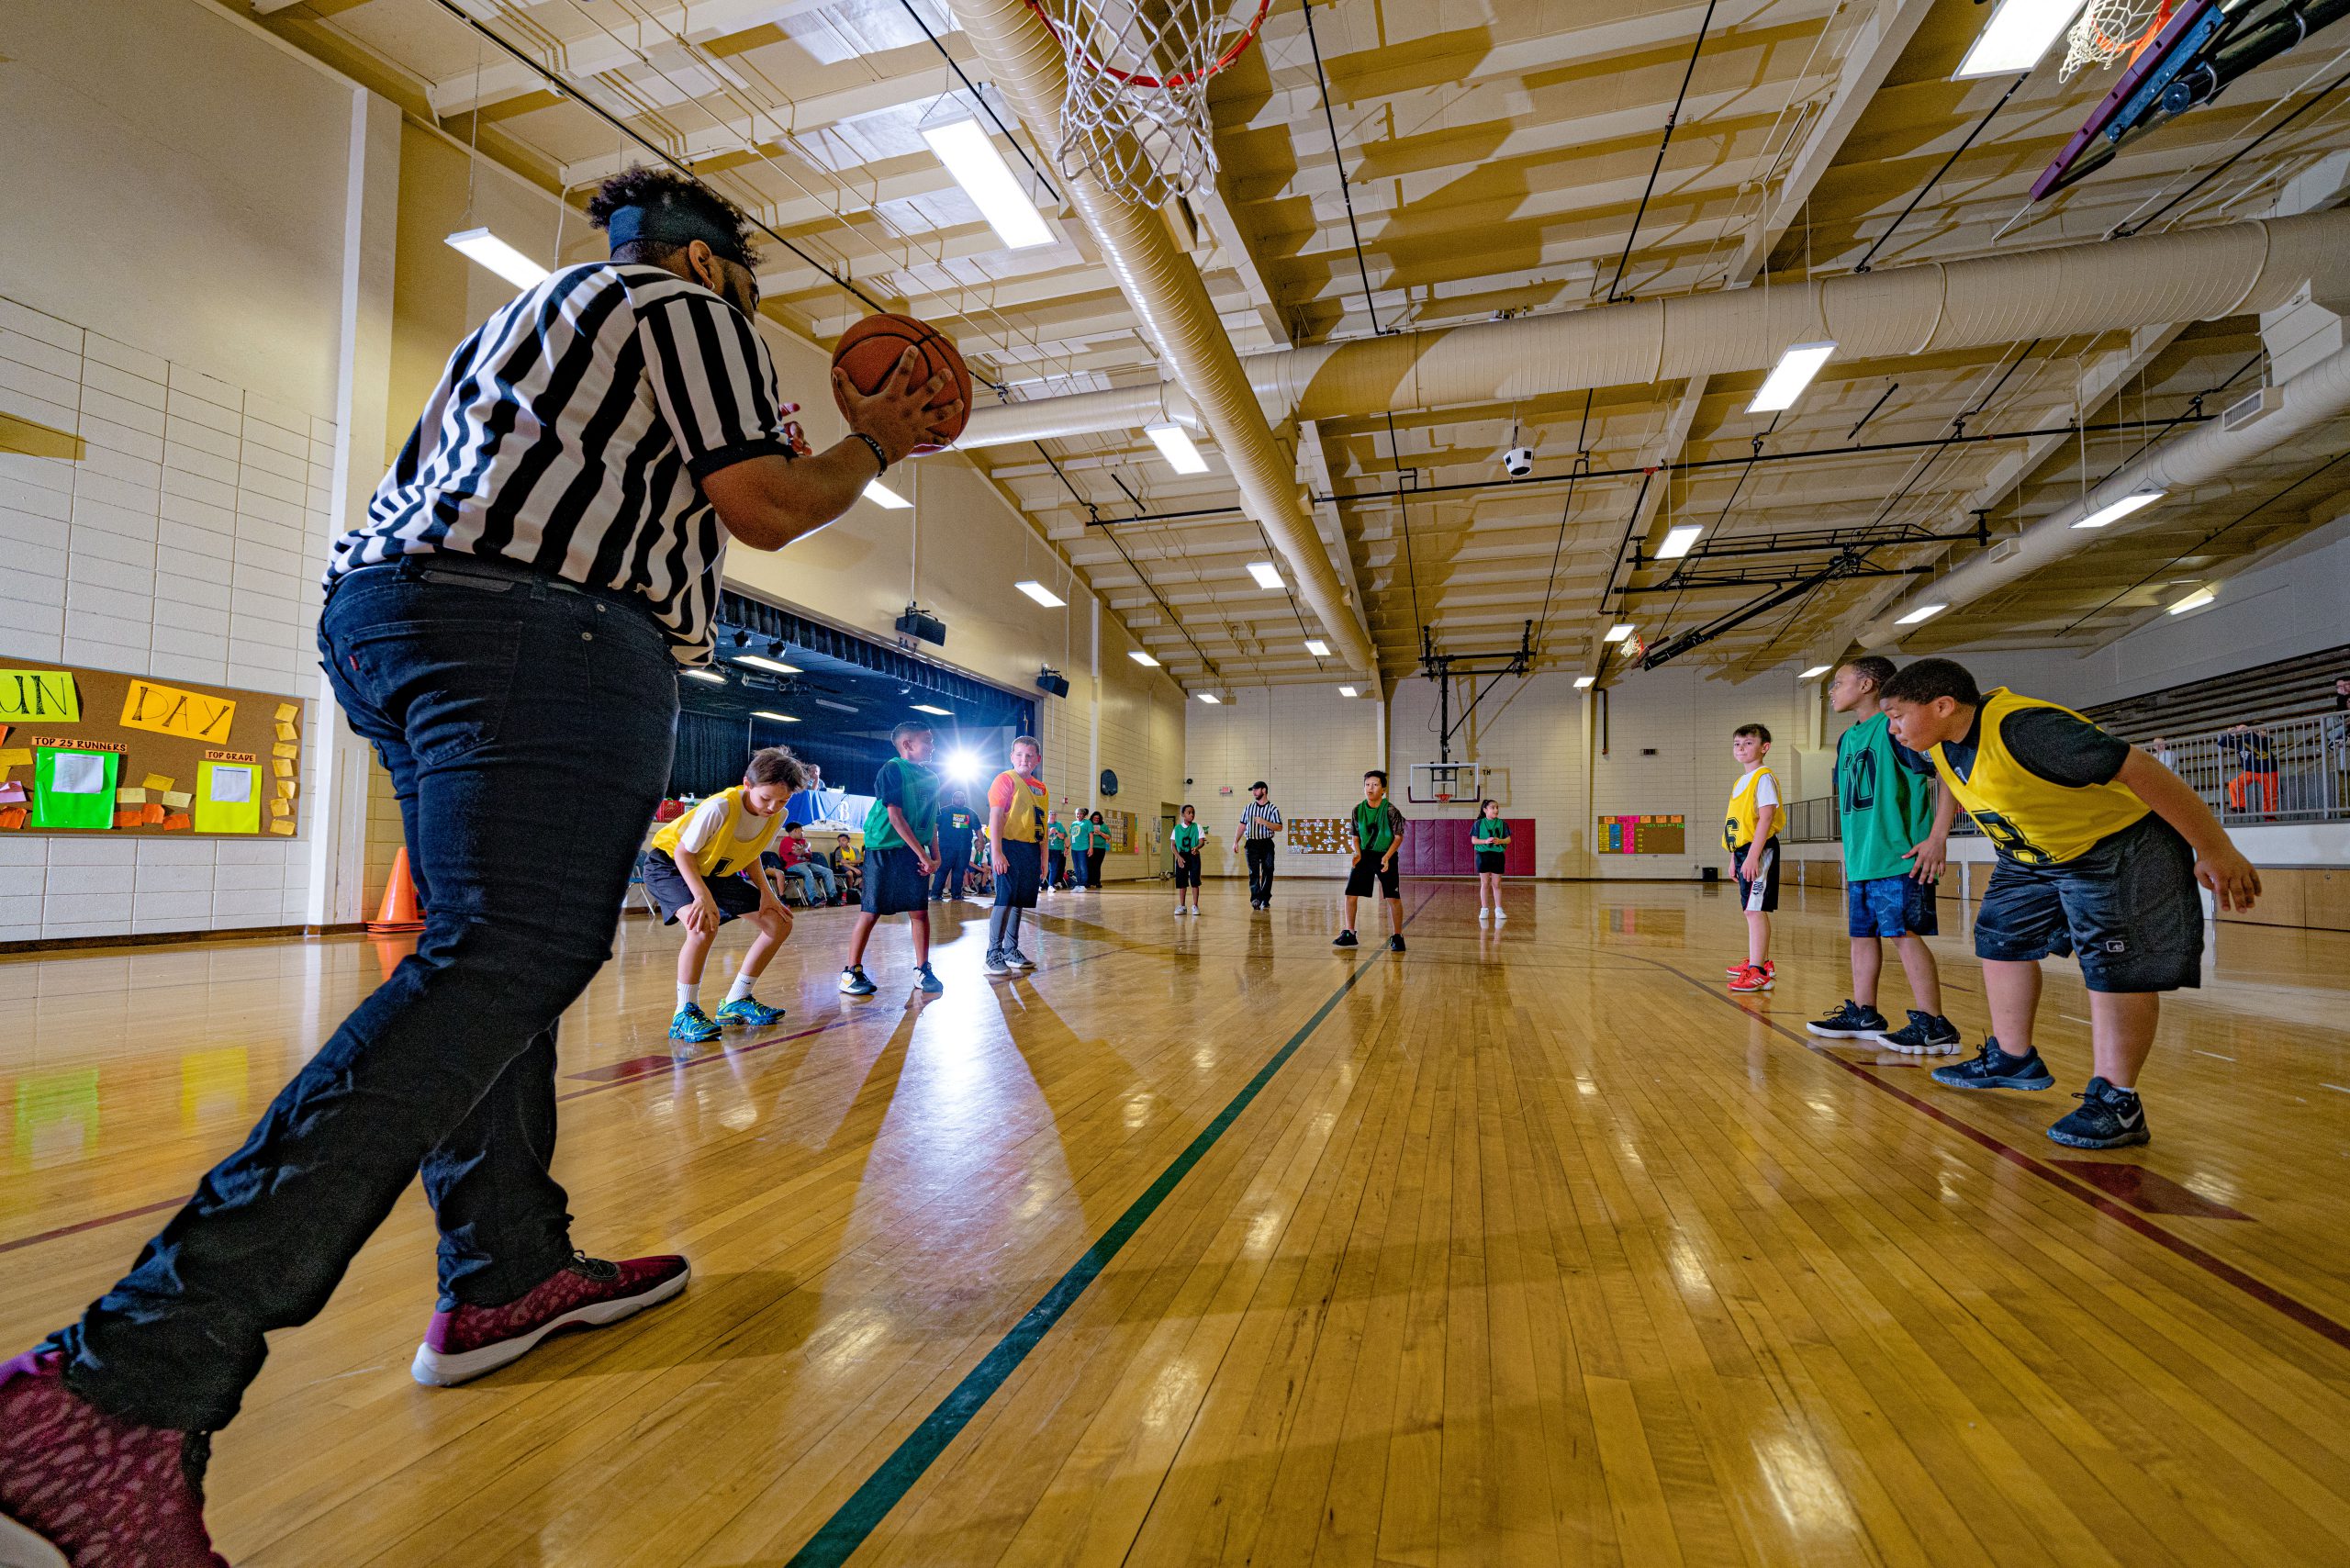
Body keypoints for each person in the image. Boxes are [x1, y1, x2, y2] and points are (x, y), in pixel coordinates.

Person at [0, 165, 960, 1561]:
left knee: (488, 956)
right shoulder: (681, 307)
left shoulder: (514, 333)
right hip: (544, 635)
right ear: (713, 265)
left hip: (400, 624)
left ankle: (504, 1266)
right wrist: (869, 440)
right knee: (509, 955)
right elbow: (763, 504)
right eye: (752, 289)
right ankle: (123, 1377)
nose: (760, 319)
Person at [1881, 658, 2261, 1148]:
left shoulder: (2030, 730)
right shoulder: (1927, 741)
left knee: (2113, 966)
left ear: (1943, 706)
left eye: (1898, 716)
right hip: (2029, 854)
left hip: (2114, 849)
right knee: (2000, 940)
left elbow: (2141, 769)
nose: (1892, 728)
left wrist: (2214, 848)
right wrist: (1938, 833)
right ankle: (2013, 1058)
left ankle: (2117, 1102)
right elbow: (1945, 776)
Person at [1807, 658, 1962, 1053]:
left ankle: (1934, 1023)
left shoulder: (1896, 728)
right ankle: (1865, 1012)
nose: (1831, 690)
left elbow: (1946, 773)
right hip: (1863, 856)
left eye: (1838, 682)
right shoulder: (1847, 740)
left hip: (1900, 853)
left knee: (1904, 935)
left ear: (1867, 684)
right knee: (1862, 937)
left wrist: (1938, 836)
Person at [643, 747, 803, 1047]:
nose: (772, 806)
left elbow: (752, 855)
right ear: (748, 784)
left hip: (716, 873)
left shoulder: (778, 815)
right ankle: (684, 1012)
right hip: (671, 866)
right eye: (765, 798)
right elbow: (683, 853)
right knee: (703, 925)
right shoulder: (720, 807)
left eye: (782, 799)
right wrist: (702, 897)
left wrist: (768, 896)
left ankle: (736, 1001)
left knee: (778, 923)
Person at [840, 722, 944, 998]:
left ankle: (922, 969)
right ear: (907, 744)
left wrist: (935, 855)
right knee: (871, 911)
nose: (932, 746)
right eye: (927, 741)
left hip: (914, 850)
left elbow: (932, 821)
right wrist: (921, 853)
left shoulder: (932, 778)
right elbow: (895, 817)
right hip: (885, 848)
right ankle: (851, 972)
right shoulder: (893, 769)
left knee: (919, 911)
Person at [983, 736, 1049, 976]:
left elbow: (1042, 827)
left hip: (1030, 848)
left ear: (1037, 760)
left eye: (1030, 755)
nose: (1025, 759)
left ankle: (1011, 950)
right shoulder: (1004, 780)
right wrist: (997, 851)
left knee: (1019, 900)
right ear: (1012, 756)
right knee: (1005, 899)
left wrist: (1044, 859)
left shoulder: (1041, 788)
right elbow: (996, 816)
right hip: (1008, 846)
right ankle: (993, 953)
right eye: (1020, 754)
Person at [1723, 722, 1781, 994]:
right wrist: (1736, 856)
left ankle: (1758, 971)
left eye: (1748, 743)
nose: (1741, 748)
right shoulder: (1740, 781)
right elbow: (1741, 824)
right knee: (1750, 908)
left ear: (1764, 747)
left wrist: (1753, 856)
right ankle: (1761, 963)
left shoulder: (1763, 777)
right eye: (1737, 743)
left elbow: (1766, 817)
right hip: (1745, 850)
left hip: (1761, 849)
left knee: (1754, 910)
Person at [1335, 769, 1407, 952]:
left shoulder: (1391, 810)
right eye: (1367, 785)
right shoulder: (1357, 810)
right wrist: (1357, 854)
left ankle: (1397, 936)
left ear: (1383, 789)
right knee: (1351, 894)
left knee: (1393, 897)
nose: (1370, 788)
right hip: (1365, 855)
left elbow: (1398, 837)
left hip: (1385, 855)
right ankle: (1350, 932)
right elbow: (1355, 837)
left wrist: (1388, 856)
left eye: (1375, 785)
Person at [1234, 780, 1283, 909]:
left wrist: (1264, 822)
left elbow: (1279, 827)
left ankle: (1265, 898)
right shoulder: (1248, 808)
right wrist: (1236, 841)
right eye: (1253, 790)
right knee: (1253, 872)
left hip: (1266, 843)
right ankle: (1255, 898)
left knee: (1268, 871)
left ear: (1264, 790)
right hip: (1251, 843)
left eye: (1256, 789)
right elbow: (1242, 826)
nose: (1254, 792)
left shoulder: (1273, 809)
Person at [767, 821, 838, 906]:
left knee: (828, 871)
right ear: (795, 830)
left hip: (806, 863)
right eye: (801, 830)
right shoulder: (786, 841)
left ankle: (832, 897)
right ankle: (813, 898)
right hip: (792, 865)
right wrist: (806, 847)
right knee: (808, 873)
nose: (803, 833)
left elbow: (810, 855)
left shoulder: (803, 841)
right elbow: (798, 854)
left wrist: (801, 849)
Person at [2223, 722, 2279, 818]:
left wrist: (2249, 731)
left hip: (2268, 771)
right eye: (2258, 731)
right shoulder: (2243, 741)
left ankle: (2269, 816)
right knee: (2234, 784)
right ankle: (2240, 806)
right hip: (2250, 771)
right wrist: (2231, 734)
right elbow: (2222, 743)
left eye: (2264, 731)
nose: (2262, 733)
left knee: (2270, 793)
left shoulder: (2267, 740)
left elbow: (2257, 742)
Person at [931, 787, 979, 901]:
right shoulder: (944, 811)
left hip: (964, 849)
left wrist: (981, 842)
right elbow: (935, 827)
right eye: (957, 797)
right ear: (953, 799)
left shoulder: (970, 813)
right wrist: (933, 843)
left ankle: (957, 894)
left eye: (962, 797)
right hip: (946, 848)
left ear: (965, 800)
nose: (960, 799)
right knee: (943, 870)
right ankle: (935, 894)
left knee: (959, 872)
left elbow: (978, 829)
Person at [1471, 799, 1510, 922]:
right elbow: (1473, 840)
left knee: (1496, 884)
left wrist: (1501, 841)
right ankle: (1484, 909)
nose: (1496, 810)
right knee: (1485, 883)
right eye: (1493, 807)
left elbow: (1508, 839)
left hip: (1497, 855)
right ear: (1485, 810)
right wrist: (1485, 841)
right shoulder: (1478, 824)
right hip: (1483, 855)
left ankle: (1498, 909)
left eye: (1497, 807)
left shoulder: (1503, 824)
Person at [1170, 804, 1205, 916]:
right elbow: (1173, 846)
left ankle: (1195, 906)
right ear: (1183, 815)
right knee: (1182, 883)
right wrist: (1178, 857)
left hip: (1193, 855)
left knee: (1195, 882)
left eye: (1193, 812)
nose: (1192, 815)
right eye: (1189, 812)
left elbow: (1201, 841)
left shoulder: (1197, 827)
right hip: (1182, 856)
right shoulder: (1176, 829)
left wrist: (1197, 847)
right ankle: (1182, 906)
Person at [1046, 810, 1071, 893]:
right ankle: (1039, 885)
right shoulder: (1045, 824)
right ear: (1048, 815)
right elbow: (1042, 837)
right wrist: (1050, 832)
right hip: (1046, 849)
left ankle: (1051, 885)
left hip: (1056, 849)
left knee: (1053, 868)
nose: (1053, 816)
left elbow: (1063, 836)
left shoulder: (1059, 824)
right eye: (1051, 814)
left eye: (1054, 815)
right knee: (1042, 867)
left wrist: (1056, 832)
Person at [1085, 810, 1110, 890]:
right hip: (1091, 847)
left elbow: (1108, 837)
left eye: (1098, 818)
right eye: (1095, 818)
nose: (1096, 819)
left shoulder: (1103, 826)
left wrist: (1100, 833)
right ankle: (1089, 881)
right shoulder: (1089, 824)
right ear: (1092, 818)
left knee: (1097, 865)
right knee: (1089, 865)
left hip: (1100, 849)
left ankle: (1097, 881)